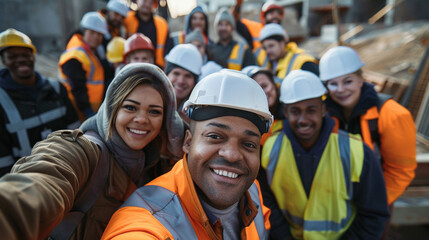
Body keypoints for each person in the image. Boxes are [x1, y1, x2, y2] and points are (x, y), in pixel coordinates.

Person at [0, 63, 185, 240]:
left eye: (154, 112)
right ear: (112, 108)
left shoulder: (159, 164)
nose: (142, 119)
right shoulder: (83, 151)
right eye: (130, 107)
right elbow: (40, 182)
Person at [101, 69, 273, 239]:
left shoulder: (251, 191)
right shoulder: (148, 220)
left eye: (249, 144)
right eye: (215, 136)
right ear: (188, 142)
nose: (232, 155)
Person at [260, 69, 390, 239]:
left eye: (311, 110)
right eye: (295, 111)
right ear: (286, 112)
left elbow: (373, 215)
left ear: (323, 110)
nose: (303, 119)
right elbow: (268, 204)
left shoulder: (356, 152)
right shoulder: (270, 150)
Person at [319, 46, 417, 208]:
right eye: (333, 84)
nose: (341, 89)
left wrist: (375, 204)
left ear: (361, 80)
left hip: (375, 203)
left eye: (348, 81)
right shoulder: (327, 114)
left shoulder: (392, 114)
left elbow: (400, 171)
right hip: (338, 204)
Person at [0, 28, 79, 177]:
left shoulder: (56, 88)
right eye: (12, 56)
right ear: (4, 61)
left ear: (33, 56)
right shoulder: (2, 101)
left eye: (25, 54)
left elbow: (75, 132)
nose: (21, 59)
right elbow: (2, 159)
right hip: (27, 181)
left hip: (67, 172)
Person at [59, 12, 108, 122]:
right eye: (92, 32)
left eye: (100, 34)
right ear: (84, 31)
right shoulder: (75, 56)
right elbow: (77, 87)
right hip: (77, 113)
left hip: (91, 109)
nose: (96, 37)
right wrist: (87, 110)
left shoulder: (91, 51)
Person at [242, 65, 284, 145]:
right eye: (256, 90)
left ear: (274, 85)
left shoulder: (291, 113)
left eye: (264, 86)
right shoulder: (247, 125)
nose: (262, 93)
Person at [123, 0, 174, 68]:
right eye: (145, 1)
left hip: (157, 67)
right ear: (137, 1)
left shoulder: (162, 24)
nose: (147, 5)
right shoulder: (127, 19)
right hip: (129, 66)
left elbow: (169, 48)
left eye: (151, 3)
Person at [164, 43, 202, 118]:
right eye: (176, 73)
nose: (181, 81)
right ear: (166, 75)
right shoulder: (152, 101)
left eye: (188, 76)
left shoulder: (197, 113)